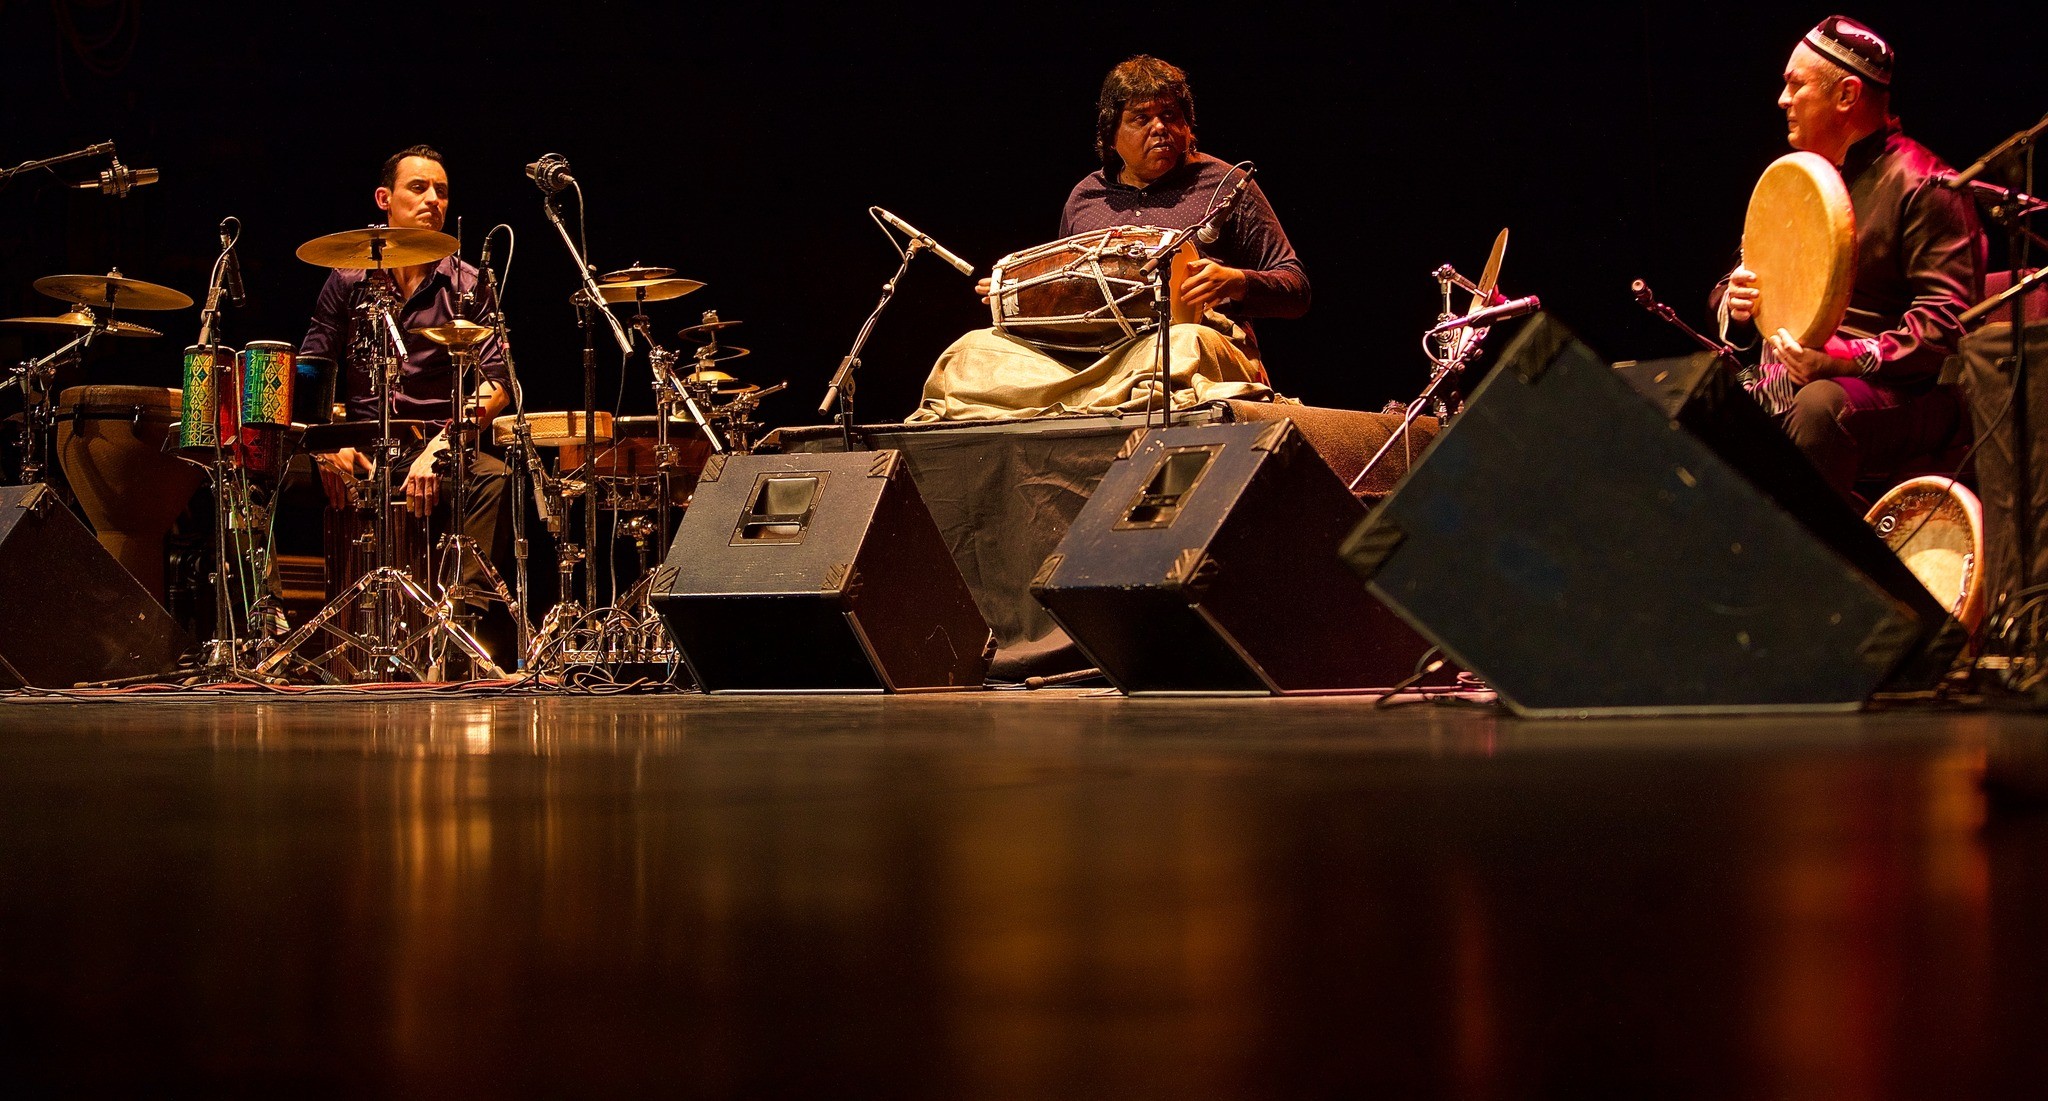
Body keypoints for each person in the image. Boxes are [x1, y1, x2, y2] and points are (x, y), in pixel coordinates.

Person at [909, 55, 1309, 422]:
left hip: (1190, 344)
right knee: (969, 353)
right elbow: (1071, 294)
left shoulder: (1226, 185)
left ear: (1188, 126)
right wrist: (1022, 290)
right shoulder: (1086, 197)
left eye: (1171, 116)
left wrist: (1237, 282)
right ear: (1112, 134)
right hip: (1087, 358)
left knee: (1181, 345)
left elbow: (1297, 288)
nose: (1161, 129)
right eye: (1141, 118)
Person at [1715, 16, 1984, 499]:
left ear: (1846, 96)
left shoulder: (1925, 185)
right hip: (1791, 377)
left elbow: (1945, 325)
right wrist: (1738, 302)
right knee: (1695, 400)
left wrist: (1841, 360)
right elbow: (1729, 283)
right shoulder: (1798, 181)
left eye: (1795, 85)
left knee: (1820, 406)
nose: (1782, 100)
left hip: (1902, 389)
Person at [298, 145, 513, 631]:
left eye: (441, 191)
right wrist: (330, 445)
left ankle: (462, 626)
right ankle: (264, 624)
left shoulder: (469, 285)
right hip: (358, 447)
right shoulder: (347, 277)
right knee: (252, 472)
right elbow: (312, 368)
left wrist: (441, 448)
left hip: (433, 445)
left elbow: (498, 383)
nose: (432, 199)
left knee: (495, 478)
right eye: (418, 187)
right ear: (384, 199)